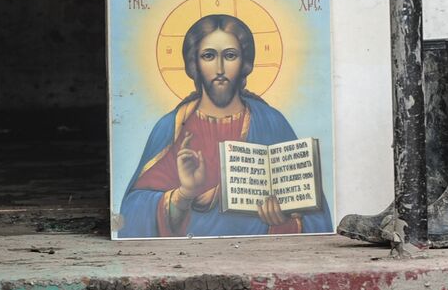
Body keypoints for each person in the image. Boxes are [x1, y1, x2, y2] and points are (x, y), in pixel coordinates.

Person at [118, 14, 334, 238]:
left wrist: (284, 219)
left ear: (245, 62)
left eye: (230, 55)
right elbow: (132, 213)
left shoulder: (271, 122)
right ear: (195, 63)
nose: (220, 68)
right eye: (209, 56)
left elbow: (315, 214)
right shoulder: (172, 127)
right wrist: (184, 194)